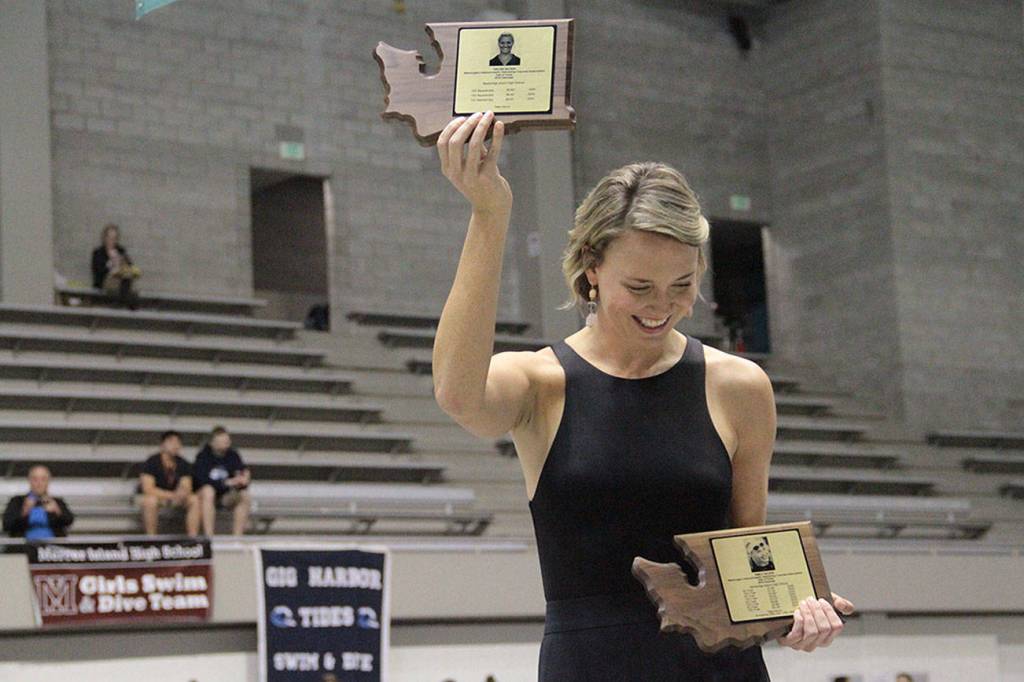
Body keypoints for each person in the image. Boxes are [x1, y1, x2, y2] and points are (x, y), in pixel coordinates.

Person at [431, 111, 856, 680]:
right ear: (591, 271)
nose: (661, 306)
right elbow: (458, 395)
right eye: (639, 287)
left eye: (682, 286)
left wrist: (795, 617)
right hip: (590, 666)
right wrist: (490, 213)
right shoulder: (541, 382)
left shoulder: (738, 386)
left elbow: (748, 563)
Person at [136, 430, 199, 536]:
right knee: (150, 501)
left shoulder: (183, 463)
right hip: (156, 496)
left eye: (178, 442)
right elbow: (148, 489)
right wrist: (171, 495)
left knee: (194, 499)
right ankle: (151, 539)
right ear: (162, 445)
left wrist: (182, 493)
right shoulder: (151, 462)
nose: (175, 445)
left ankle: (193, 538)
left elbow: (187, 485)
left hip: (174, 498)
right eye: (171, 442)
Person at [192, 425, 252, 536]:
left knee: (244, 496)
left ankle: (237, 537)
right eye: (222, 441)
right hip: (207, 496)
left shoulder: (233, 456)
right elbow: (201, 480)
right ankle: (209, 535)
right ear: (212, 442)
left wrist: (244, 479)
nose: (226, 443)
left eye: (227, 440)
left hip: (225, 496)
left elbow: (240, 472)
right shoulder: (203, 457)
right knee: (208, 491)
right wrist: (225, 483)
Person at [2, 465, 74, 539]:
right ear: (29, 481)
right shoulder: (17, 501)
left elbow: (69, 521)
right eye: (35, 479)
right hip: (24, 547)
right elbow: (7, 525)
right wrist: (24, 512)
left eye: (43, 479)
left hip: (53, 547)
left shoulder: (56, 501)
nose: (39, 483)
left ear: (48, 481)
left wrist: (57, 511)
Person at [91, 223, 140, 309]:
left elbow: (130, 266)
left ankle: (123, 301)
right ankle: (128, 301)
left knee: (127, 278)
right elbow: (97, 271)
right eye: (110, 238)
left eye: (114, 238)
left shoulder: (121, 250)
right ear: (104, 238)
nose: (112, 241)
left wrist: (121, 262)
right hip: (105, 282)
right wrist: (110, 264)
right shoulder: (98, 253)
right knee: (127, 290)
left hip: (121, 281)